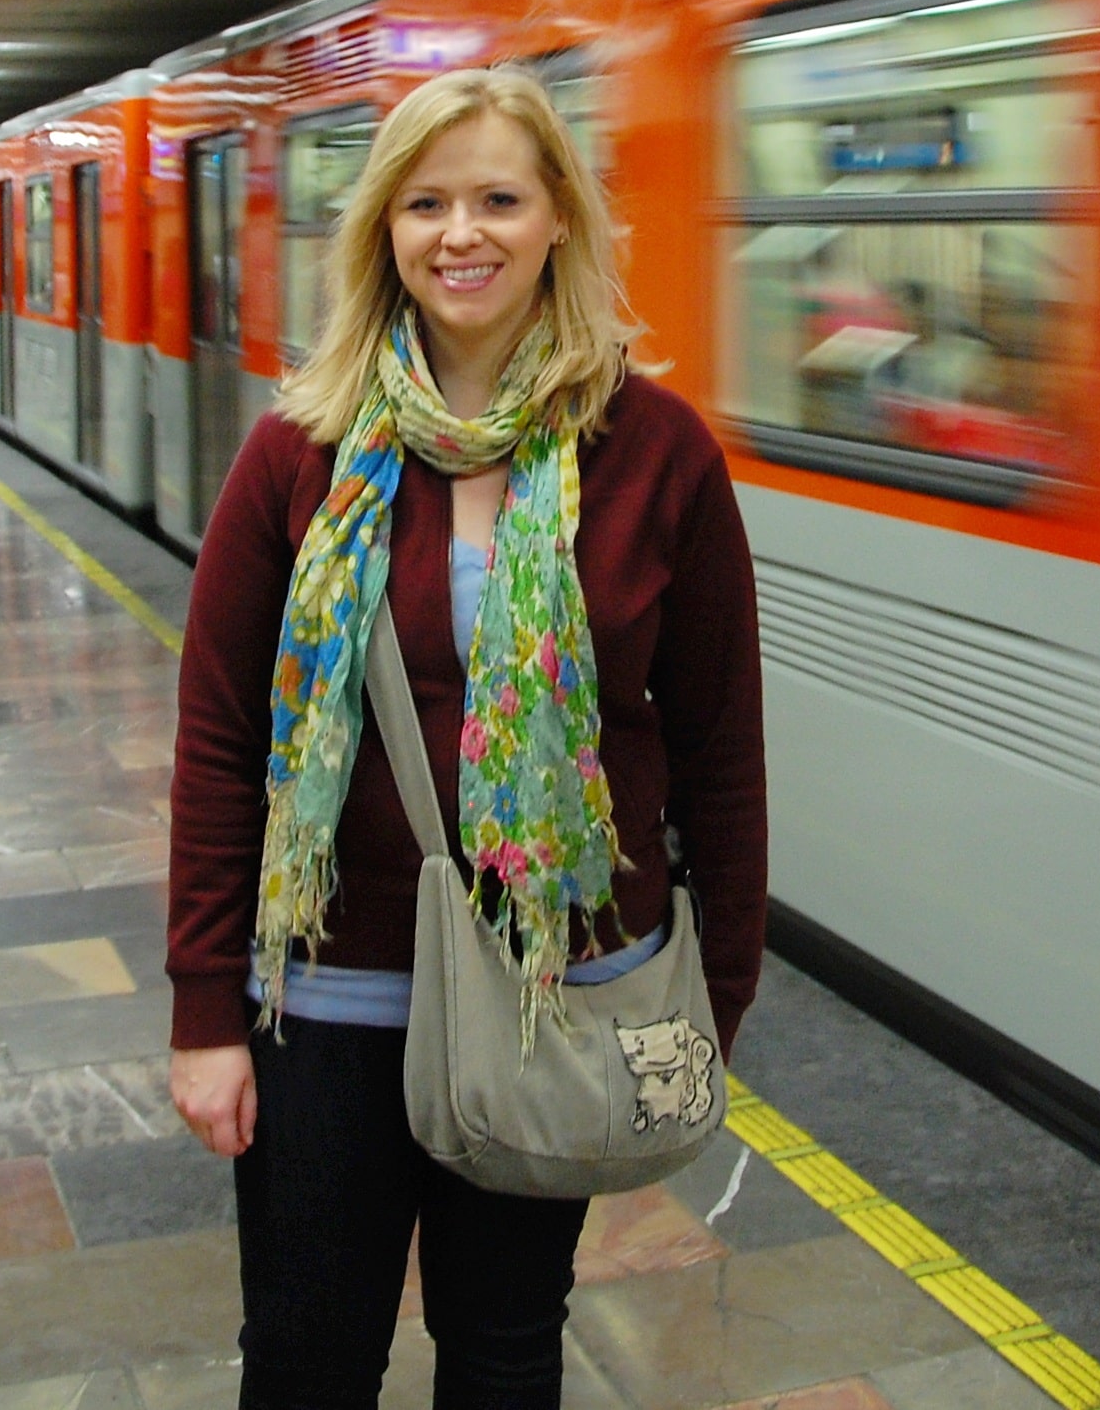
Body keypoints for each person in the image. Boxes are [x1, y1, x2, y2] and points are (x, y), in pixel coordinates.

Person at [164, 69, 768, 1410]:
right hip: (326, 1002)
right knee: (311, 1358)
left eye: (499, 196)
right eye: (427, 202)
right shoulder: (299, 451)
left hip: (553, 998)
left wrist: (713, 1002)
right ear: (384, 228)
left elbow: (722, 749)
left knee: (503, 1348)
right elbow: (218, 742)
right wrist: (207, 1008)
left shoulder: (658, 450)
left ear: (560, 218)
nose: (463, 233)